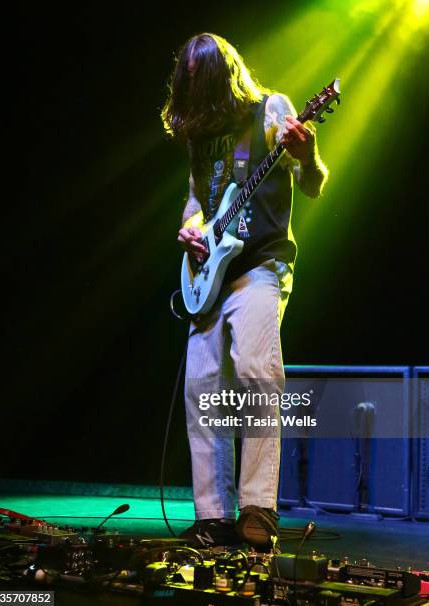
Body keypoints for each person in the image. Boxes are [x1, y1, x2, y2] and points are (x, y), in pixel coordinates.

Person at [161, 33, 328, 549]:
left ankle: (258, 512)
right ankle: (212, 515)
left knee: (257, 371)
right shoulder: (199, 134)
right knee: (202, 385)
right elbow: (196, 199)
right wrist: (191, 228)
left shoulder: (269, 109)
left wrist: (308, 154)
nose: (195, 97)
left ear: (220, 77)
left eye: (201, 85)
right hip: (211, 275)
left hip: (262, 263)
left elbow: (313, 184)